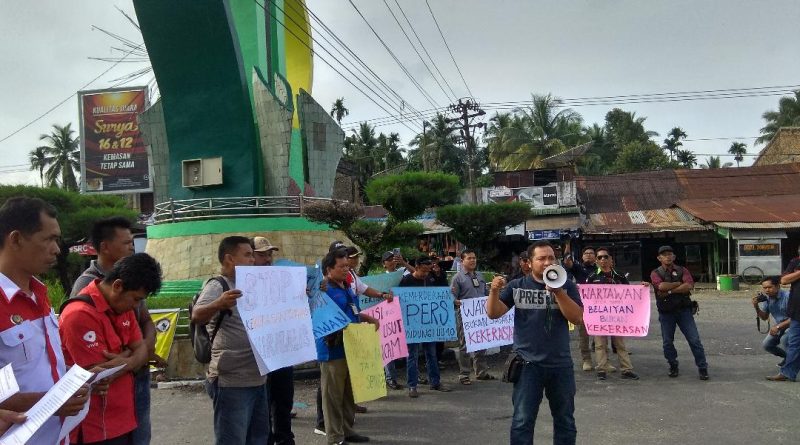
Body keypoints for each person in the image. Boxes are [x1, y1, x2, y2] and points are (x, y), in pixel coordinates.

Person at [0, 197, 89, 444]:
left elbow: (40, 365)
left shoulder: (40, 294)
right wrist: (54, 400)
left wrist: (75, 381)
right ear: (16, 239)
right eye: (48, 239)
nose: (57, 249)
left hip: (59, 437)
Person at [70, 216, 161, 445]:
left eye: (133, 242)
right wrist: (134, 357)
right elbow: (96, 370)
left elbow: (140, 341)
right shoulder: (84, 305)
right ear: (104, 247)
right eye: (126, 242)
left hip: (124, 414)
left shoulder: (124, 297)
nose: (131, 247)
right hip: (97, 424)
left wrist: (128, 361)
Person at [487, 241, 584, 445]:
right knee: (522, 421)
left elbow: (577, 318)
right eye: (541, 258)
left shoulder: (567, 285)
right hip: (528, 365)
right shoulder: (516, 286)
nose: (547, 262)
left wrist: (558, 291)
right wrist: (494, 291)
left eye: (551, 258)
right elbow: (494, 313)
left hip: (560, 365)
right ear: (529, 263)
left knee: (565, 420)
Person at [192, 236, 268, 445]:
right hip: (232, 380)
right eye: (247, 255)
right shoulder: (218, 285)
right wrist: (219, 303)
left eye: (253, 255)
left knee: (258, 438)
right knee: (232, 439)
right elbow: (197, 315)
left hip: (258, 377)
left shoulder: (254, 284)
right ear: (229, 259)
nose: (253, 260)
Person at [317, 248, 378, 445]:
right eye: (341, 266)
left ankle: (347, 430)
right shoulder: (324, 290)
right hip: (332, 351)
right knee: (332, 396)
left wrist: (368, 318)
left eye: (347, 266)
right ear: (329, 268)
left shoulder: (345, 287)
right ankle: (334, 437)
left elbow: (353, 311)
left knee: (349, 392)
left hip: (351, 347)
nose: (346, 269)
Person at [250, 236, 296, 445]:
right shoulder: (244, 284)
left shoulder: (282, 278)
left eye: (269, 253)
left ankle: (285, 438)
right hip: (259, 354)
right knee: (264, 401)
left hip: (282, 350)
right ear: (251, 256)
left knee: (284, 398)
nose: (267, 258)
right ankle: (266, 439)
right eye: (262, 254)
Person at [650, 245, 709, 380]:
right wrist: (678, 284)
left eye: (670, 254)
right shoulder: (655, 272)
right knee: (667, 342)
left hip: (684, 311)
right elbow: (660, 286)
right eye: (664, 255)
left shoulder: (682, 270)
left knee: (694, 340)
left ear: (674, 257)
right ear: (659, 258)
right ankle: (673, 365)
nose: (668, 257)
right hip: (666, 313)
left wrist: (670, 291)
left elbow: (689, 285)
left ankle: (702, 367)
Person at [585, 247, 640, 381]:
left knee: (620, 344)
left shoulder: (620, 276)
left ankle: (626, 370)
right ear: (596, 261)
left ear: (611, 259)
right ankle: (601, 370)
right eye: (599, 257)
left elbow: (630, 294)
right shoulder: (592, 277)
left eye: (605, 257)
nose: (603, 259)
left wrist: (642, 288)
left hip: (617, 316)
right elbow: (586, 296)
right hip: (600, 317)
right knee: (600, 344)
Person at [401, 256, 451, 398]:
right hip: (413, 325)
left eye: (427, 271)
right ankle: (412, 385)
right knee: (412, 355)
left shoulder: (429, 280)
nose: (425, 274)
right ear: (416, 267)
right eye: (423, 271)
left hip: (428, 324)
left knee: (432, 353)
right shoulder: (406, 281)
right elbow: (400, 300)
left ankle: (435, 382)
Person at [450, 249, 496, 385]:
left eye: (474, 258)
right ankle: (464, 374)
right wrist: (455, 301)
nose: (472, 260)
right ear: (462, 261)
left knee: (481, 343)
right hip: (465, 315)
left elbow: (486, 293)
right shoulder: (457, 278)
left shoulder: (480, 276)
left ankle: (481, 372)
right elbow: (452, 295)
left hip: (480, 315)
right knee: (464, 345)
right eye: (469, 258)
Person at [767, 249, 800, 381]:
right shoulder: (795, 262)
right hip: (797, 312)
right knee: (793, 344)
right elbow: (784, 280)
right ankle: (787, 373)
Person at [564, 246, 597, 372]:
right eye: (586, 253)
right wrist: (567, 245)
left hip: (599, 308)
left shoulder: (600, 269)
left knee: (600, 335)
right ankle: (586, 359)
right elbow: (568, 262)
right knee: (584, 335)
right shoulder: (578, 268)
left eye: (591, 253)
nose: (588, 255)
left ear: (595, 256)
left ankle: (604, 361)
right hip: (582, 306)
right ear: (582, 256)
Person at [753, 276, 791, 366]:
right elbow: (764, 317)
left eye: (770, 287)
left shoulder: (788, 297)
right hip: (781, 326)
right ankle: (788, 358)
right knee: (767, 345)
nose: (767, 290)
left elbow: (796, 318)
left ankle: (790, 365)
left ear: (778, 286)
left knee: (785, 339)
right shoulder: (768, 299)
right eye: (765, 288)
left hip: (794, 325)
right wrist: (756, 306)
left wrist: (778, 327)